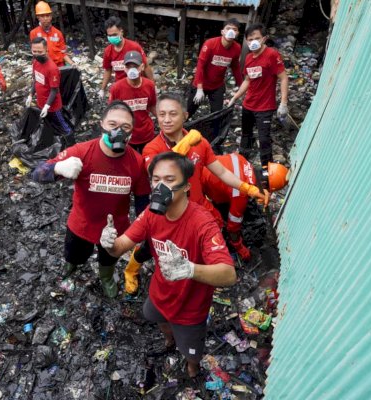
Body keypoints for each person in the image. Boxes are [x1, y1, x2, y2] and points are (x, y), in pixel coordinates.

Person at [100, 151, 236, 378]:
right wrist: (108, 242)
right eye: (156, 179)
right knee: (156, 317)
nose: (160, 186)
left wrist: (190, 269)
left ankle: (192, 368)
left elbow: (229, 274)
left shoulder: (202, 223)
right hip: (160, 294)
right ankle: (168, 340)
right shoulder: (151, 215)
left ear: (186, 186)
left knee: (192, 352)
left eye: (170, 180)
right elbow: (120, 246)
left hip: (190, 309)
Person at [122, 93, 268, 296]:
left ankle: (196, 275)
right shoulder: (152, 148)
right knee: (150, 245)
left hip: (197, 207)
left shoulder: (200, 143)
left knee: (200, 243)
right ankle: (130, 270)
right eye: (161, 114)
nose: (166, 119)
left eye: (173, 114)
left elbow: (222, 172)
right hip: (167, 210)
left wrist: (248, 188)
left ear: (185, 115)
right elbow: (160, 171)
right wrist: (185, 145)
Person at [30, 101, 150, 298]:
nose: (118, 131)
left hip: (114, 229)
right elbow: (37, 173)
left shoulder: (136, 162)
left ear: (132, 132)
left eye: (125, 127)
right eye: (113, 125)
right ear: (102, 124)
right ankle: (71, 267)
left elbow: (142, 201)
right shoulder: (82, 152)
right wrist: (57, 169)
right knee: (74, 255)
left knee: (109, 259)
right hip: (81, 224)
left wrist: (142, 232)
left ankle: (106, 277)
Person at [228, 23, 289, 168]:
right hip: (248, 105)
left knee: (264, 140)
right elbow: (248, 80)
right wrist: (235, 97)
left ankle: (267, 172)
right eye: (250, 39)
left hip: (265, 107)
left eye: (257, 38)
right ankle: (242, 165)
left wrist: (284, 103)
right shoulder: (248, 58)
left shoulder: (272, 55)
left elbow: (284, 77)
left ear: (264, 39)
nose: (253, 42)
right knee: (246, 135)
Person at [187, 19, 243, 118]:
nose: (231, 31)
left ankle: (214, 133)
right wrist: (199, 88)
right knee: (188, 113)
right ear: (222, 31)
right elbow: (200, 66)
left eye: (234, 29)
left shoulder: (237, 48)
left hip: (217, 86)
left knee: (216, 116)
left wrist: (241, 85)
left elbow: (235, 67)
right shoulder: (210, 44)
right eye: (228, 28)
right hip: (201, 84)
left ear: (237, 33)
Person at [108, 50, 157, 154]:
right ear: (124, 69)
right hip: (127, 136)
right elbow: (112, 113)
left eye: (135, 66)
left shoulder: (149, 85)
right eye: (129, 66)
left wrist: (163, 119)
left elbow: (152, 106)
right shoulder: (116, 88)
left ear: (142, 67)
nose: (132, 70)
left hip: (146, 133)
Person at [27, 37, 73, 143]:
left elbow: (54, 90)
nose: (37, 54)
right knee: (49, 124)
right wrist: (30, 95)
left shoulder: (52, 68)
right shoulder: (35, 62)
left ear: (46, 50)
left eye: (40, 51)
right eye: (34, 51)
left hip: (53, 106)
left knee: (63, 126)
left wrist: (47, 106)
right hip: (40, 102)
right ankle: (56, 143)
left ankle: (71, 144)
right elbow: (36, 79)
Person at [98, 16, 153, 100]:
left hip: (137, 84)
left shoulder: (134, 47)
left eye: (114, 35)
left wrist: (152, 85)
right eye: (109, 35)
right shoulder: (108, 51)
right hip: (121, 86)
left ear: (121, 32)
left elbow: (145, 66)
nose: (112, 38)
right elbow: (108, 70)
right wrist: (102, 89)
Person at [29, 1, 74, 66]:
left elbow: (62, 53)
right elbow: (35, 53)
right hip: (43, 66)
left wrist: (72, 63)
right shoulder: (34, 33)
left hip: (58, 66)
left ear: (51, 16)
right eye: (42, 16)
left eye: (47, 15)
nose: (45, 18)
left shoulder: (58, 33)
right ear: (38, 17)